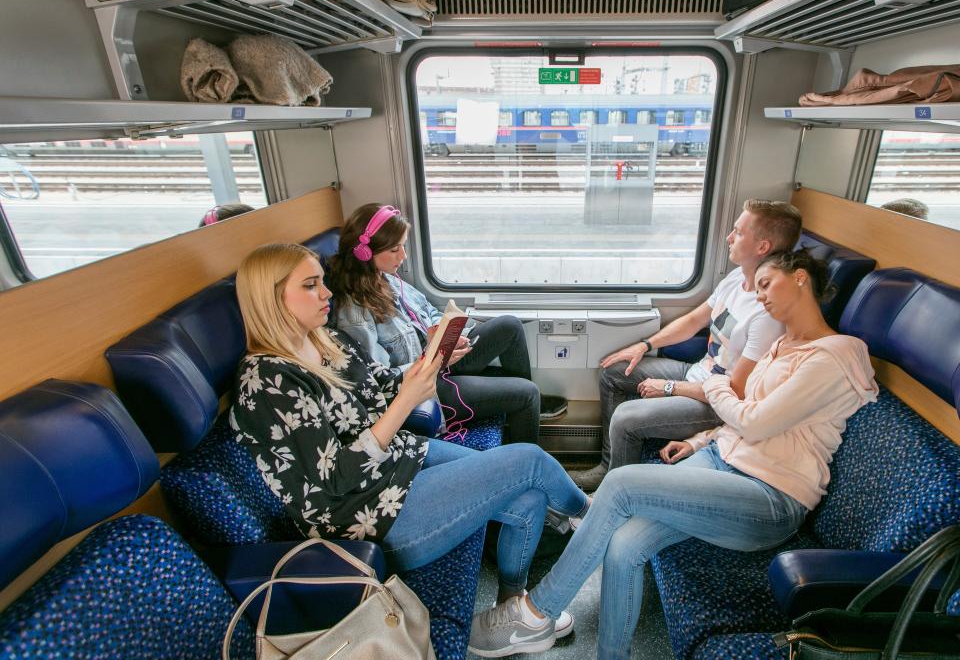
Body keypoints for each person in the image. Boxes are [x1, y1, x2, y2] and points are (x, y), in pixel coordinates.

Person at [468, 250, 879, 659]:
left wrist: (716, 387)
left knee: (622, 484)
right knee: (625, 544)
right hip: (723, 460)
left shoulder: (836, 355)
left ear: (802, 279)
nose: (758, 293)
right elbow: (746, 416)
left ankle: (536, 613)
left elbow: (754, 420)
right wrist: (702, 440)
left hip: (770, 496)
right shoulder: (784, 345)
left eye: (767, 284)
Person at [229, 242, 589, 619]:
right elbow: (333, 480)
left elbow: (382, 383)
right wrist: (406, 401)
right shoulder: (266, 382)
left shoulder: (326, 339)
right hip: (364, 515)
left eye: (322, 282)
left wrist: (430, 360)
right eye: (310, 285)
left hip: (398, 460)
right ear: (272, 298)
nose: (327, 293)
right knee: (528, 461)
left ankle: (512, 605)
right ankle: (591, 515)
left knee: (529, 496)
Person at [570, 198, 802, 492]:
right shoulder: (736, 279)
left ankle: (615, 490)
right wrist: (644, 344)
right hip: (697, 373)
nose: (729, 238)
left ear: (762, 247)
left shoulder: (766, 315)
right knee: (616, 372)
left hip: (717, 404)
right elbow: (694, 320)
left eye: (739, 232)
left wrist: (668, 388)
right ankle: (608, 466)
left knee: (627, 418)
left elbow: (738, 392)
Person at [327, 203, 566, 445]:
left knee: (509, 325)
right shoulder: (354, 312)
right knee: (527, 393)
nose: (403, 256)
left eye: (403, 246)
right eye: (394, 250)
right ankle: (522, 459)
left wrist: (443, 332)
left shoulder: (385, 279)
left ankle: (522, 411)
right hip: (426, 386)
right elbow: (382, 379)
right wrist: (432, 359)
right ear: (364, 253)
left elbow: (428, 309)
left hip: (438, 359)